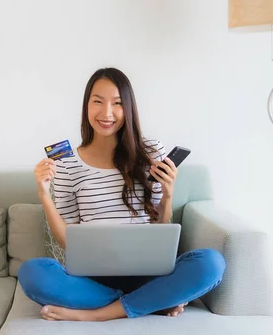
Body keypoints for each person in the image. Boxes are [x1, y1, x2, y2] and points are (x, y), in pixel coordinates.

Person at [19, 68, 226, 321]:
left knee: (211, 263)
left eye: (117, 103)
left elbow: (162, 228)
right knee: (32, 273)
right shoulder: (67, 163)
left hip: (149, 273)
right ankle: (152, 301)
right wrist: (44, 195)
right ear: (86, 106)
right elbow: (67, 243)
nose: (107, 113)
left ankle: (100, 314)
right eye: (98, 102)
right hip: (93, 280)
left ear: (128, 108)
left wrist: (169, 194)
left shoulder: (151, 151)